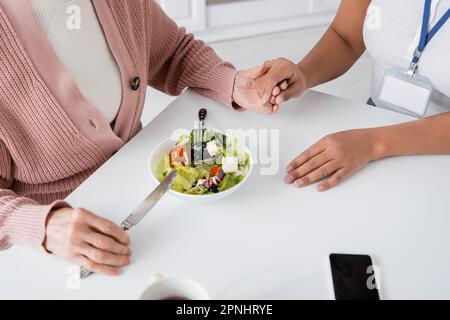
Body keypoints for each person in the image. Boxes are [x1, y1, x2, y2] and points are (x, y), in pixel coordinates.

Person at [0, 0, 276, 276]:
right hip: (55, 256)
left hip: (148, 200)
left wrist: (232, 82)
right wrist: (42, 226)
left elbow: (171, 52)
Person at [254, 0, 450, 192]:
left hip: (437, 152)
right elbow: (345, 37)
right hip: (373, 122)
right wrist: (304, 74)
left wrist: (372, 143)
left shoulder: (370, 142)